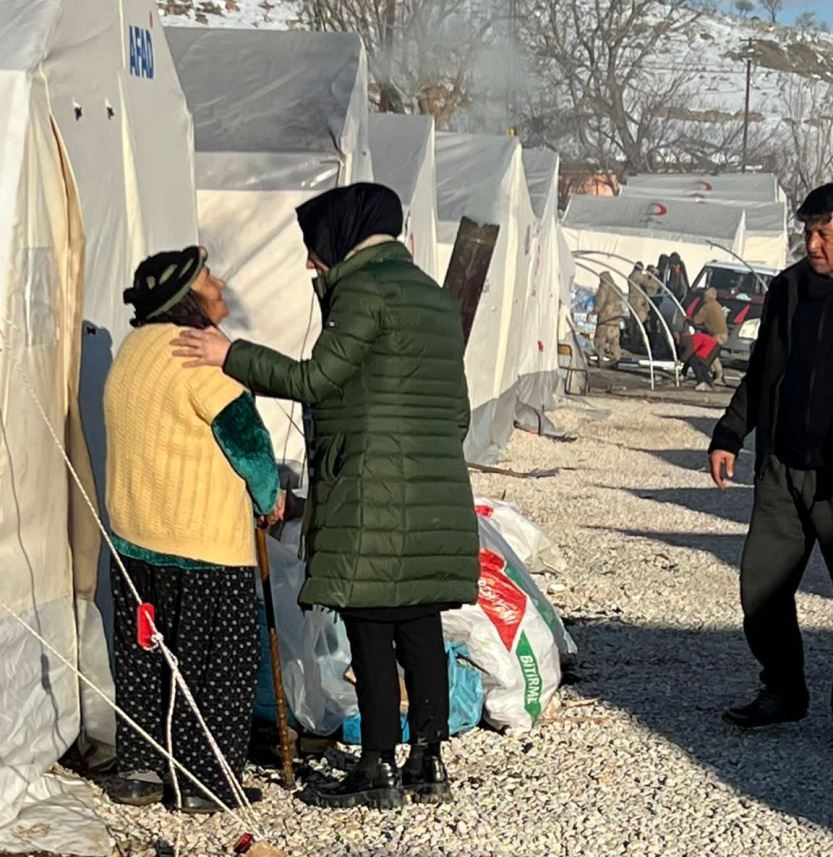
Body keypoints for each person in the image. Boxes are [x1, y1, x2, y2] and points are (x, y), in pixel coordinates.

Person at [171, 184, 480, 809]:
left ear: (340, 235)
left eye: (313, 249)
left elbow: (315, 380)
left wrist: (232, 354)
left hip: (373, 486)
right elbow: (460, 411)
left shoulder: (366, 290)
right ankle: (429, 759)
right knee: (418, 617)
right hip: (435, 485)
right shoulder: (433, 297)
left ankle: (377, 766)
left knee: (367, 617)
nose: (311, 262)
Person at [104, 246, 282, 813]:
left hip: (135, 540)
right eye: (209, 276)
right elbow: (246, 437)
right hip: (202, 544)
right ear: (187, 298)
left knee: (145, 659)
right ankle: (203, 781)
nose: (221, 282)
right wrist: (269, 494)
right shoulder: (197, 356)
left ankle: (140, 770)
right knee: (216, 665)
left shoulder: (131, 350)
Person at [709, 182, 833, 729]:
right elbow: (761, 372)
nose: (812, 245)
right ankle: (783, 691)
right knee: (762, 588)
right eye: (807, 233)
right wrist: (729, 435)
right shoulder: (787, 291)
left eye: (825, 234)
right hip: (782, 470)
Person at [693, 287, 728, 385]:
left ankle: (719, 376)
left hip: (717, 335)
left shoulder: (707, 307)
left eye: (704, 296)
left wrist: (690, 319)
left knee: (711, 355)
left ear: (707, 297)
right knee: (713, 355)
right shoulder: (718, 305)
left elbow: (697, 320)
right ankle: (715, 374)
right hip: (724, 334)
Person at [593, 271, 626, 365]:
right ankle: (617, 359)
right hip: (615, 321)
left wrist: (593, 313)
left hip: (605, 321)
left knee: (599, 342)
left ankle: (601, 360)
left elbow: (600, 304)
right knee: (614, 343)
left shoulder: (604, 288)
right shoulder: (618, 289)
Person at [626, 262, 650, 351]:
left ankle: (633, 344)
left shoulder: (631, 275)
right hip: (638, 303)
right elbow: (648, 283)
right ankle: (637, 345)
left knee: (633, 324)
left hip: (632, 301)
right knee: (640, 324)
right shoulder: (637, 276)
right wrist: (651, 274)